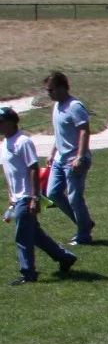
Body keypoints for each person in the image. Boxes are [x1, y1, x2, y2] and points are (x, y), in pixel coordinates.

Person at [2, 106, 75, 286]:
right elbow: (10, 172)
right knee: (35, 235)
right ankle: (65, 258)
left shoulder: (22, 142)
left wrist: (35, 197)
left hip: (27, 196)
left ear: (10, 123)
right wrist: (10, 194)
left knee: (22, 236)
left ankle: (28, 273)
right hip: (18, 197)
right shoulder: (5, 143)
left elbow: (33, 168)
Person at [44, 71, 94, 245]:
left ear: (61, 88)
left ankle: (84, 234)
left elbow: (84, 130)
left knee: (74, 197)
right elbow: (60, 134)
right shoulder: (57, 106)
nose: (48, 93)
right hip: (60, 159)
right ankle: (84, 223)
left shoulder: (75, 106)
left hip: (75, 160)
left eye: (50, 90)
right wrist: (52, 152)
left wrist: (80, 156)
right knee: (53, 193)